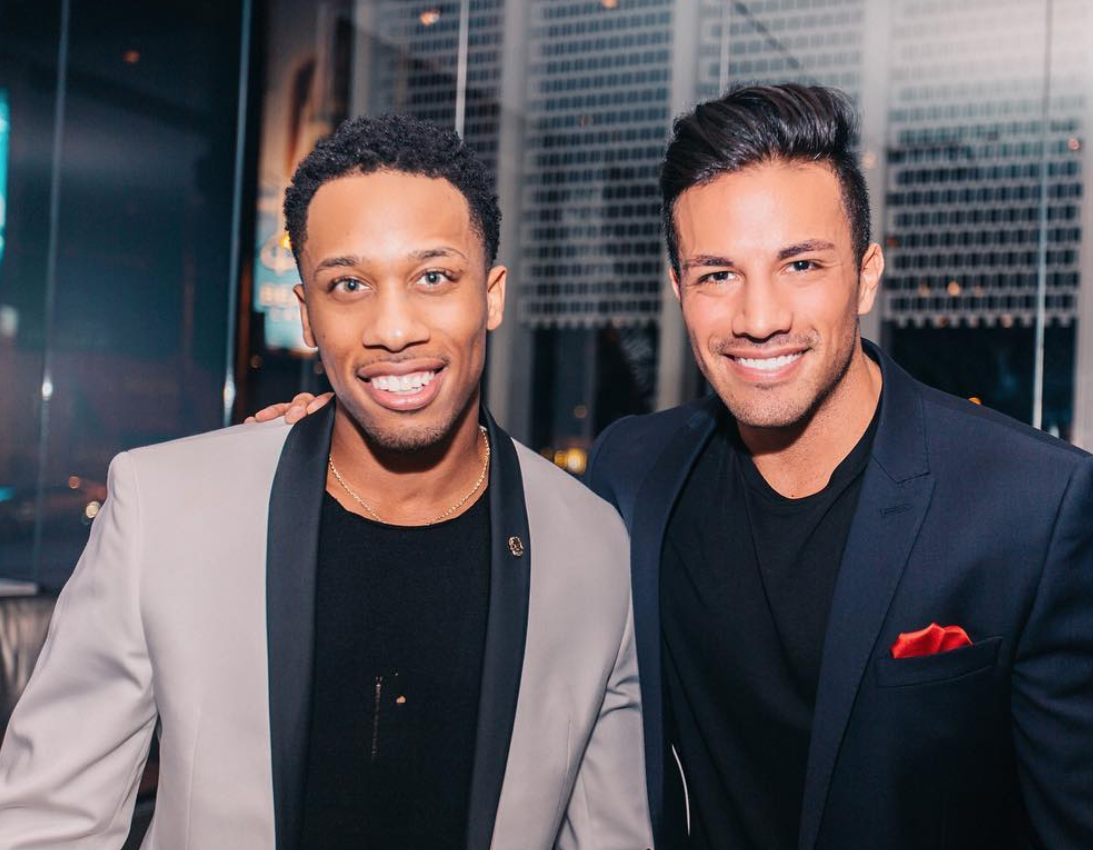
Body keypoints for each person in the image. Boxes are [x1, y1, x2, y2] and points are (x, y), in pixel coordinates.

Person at [256, 85, 1093, 849]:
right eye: (717, 274)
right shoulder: (633, 473)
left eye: (801, 265)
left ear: (865, 275)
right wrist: (331, 435)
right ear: (679, 289)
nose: (759, 316)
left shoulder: (1037, 507)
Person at [0, 114, 652, 850]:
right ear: (308, 315)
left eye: (434, 277)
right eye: (348, 284)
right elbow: (47, 822)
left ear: (492, 296)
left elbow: (610, 836)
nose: (393, 329)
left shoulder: (593, 546)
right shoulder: (166, 508)